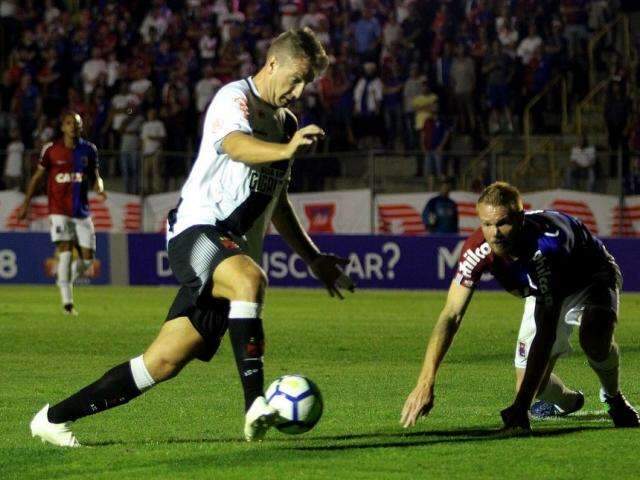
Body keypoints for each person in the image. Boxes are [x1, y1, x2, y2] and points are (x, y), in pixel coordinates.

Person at [29, 28, 354, 448]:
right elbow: (235, 145)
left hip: (228, 251)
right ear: (272, 64)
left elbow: (277, 198)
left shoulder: (285, 123)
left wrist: (313, 258)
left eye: (306, 83)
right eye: (295, 78)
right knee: (250, 280)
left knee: (161, 362)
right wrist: (286, 149)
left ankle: (51, 419)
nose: (299, 90)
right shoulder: (233, 99)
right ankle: (254, 404)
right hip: (197, 230)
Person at [401, 182, 639, 432]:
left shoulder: (547, 248)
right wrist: (425, 382)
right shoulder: (477, 248)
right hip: (542, 288)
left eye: (503, 223)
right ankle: (570, 401)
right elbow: (451, 314)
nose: (495, 234)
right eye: (487, 224)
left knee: (594, 335)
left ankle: (614, 397)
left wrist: (520, 407)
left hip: (590, 275)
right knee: (529, 385)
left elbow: (546, 332)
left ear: (521, 218)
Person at [18, 111, 106, 315]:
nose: (72, 127)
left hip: (82, 213)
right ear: (63, 127)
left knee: (87, 260)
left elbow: (96, 176)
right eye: (68, 123)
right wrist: (26, 203)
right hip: (58, 211)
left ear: (80, 126)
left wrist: (100, 187)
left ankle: (64, 280)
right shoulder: (51, 150)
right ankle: (68, 304)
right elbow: (38, 177)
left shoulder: (89, 150)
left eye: (76, 123)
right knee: (65, 252)